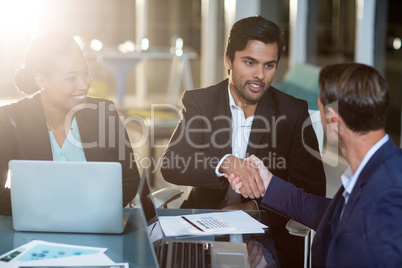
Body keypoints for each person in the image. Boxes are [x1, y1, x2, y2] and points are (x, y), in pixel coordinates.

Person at [161, 15, 326, 267]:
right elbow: (172, 164)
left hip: (267, 230)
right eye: (250, 62)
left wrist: (252, 207)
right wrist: (225, 162)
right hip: (206, 223)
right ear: (228, 60)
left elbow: (313, 192)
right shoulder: (200, 102)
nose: (260, 75)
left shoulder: (293, 112)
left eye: (269, 65)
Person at [228, 63, 402, 267]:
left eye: (319, 111)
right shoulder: (378, 168)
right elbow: (331, 213)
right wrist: (268, 183)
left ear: (333, 120)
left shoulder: (388, 196)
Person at [0, 31, 140, 215]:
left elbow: (129, 180)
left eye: (85, 73)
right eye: (70, 78)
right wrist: (54, 211)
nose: (84, 84)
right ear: (41, 81)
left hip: (97, 224)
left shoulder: (104, 113)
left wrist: (91, 213)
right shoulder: (10, 120)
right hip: (35, 231)